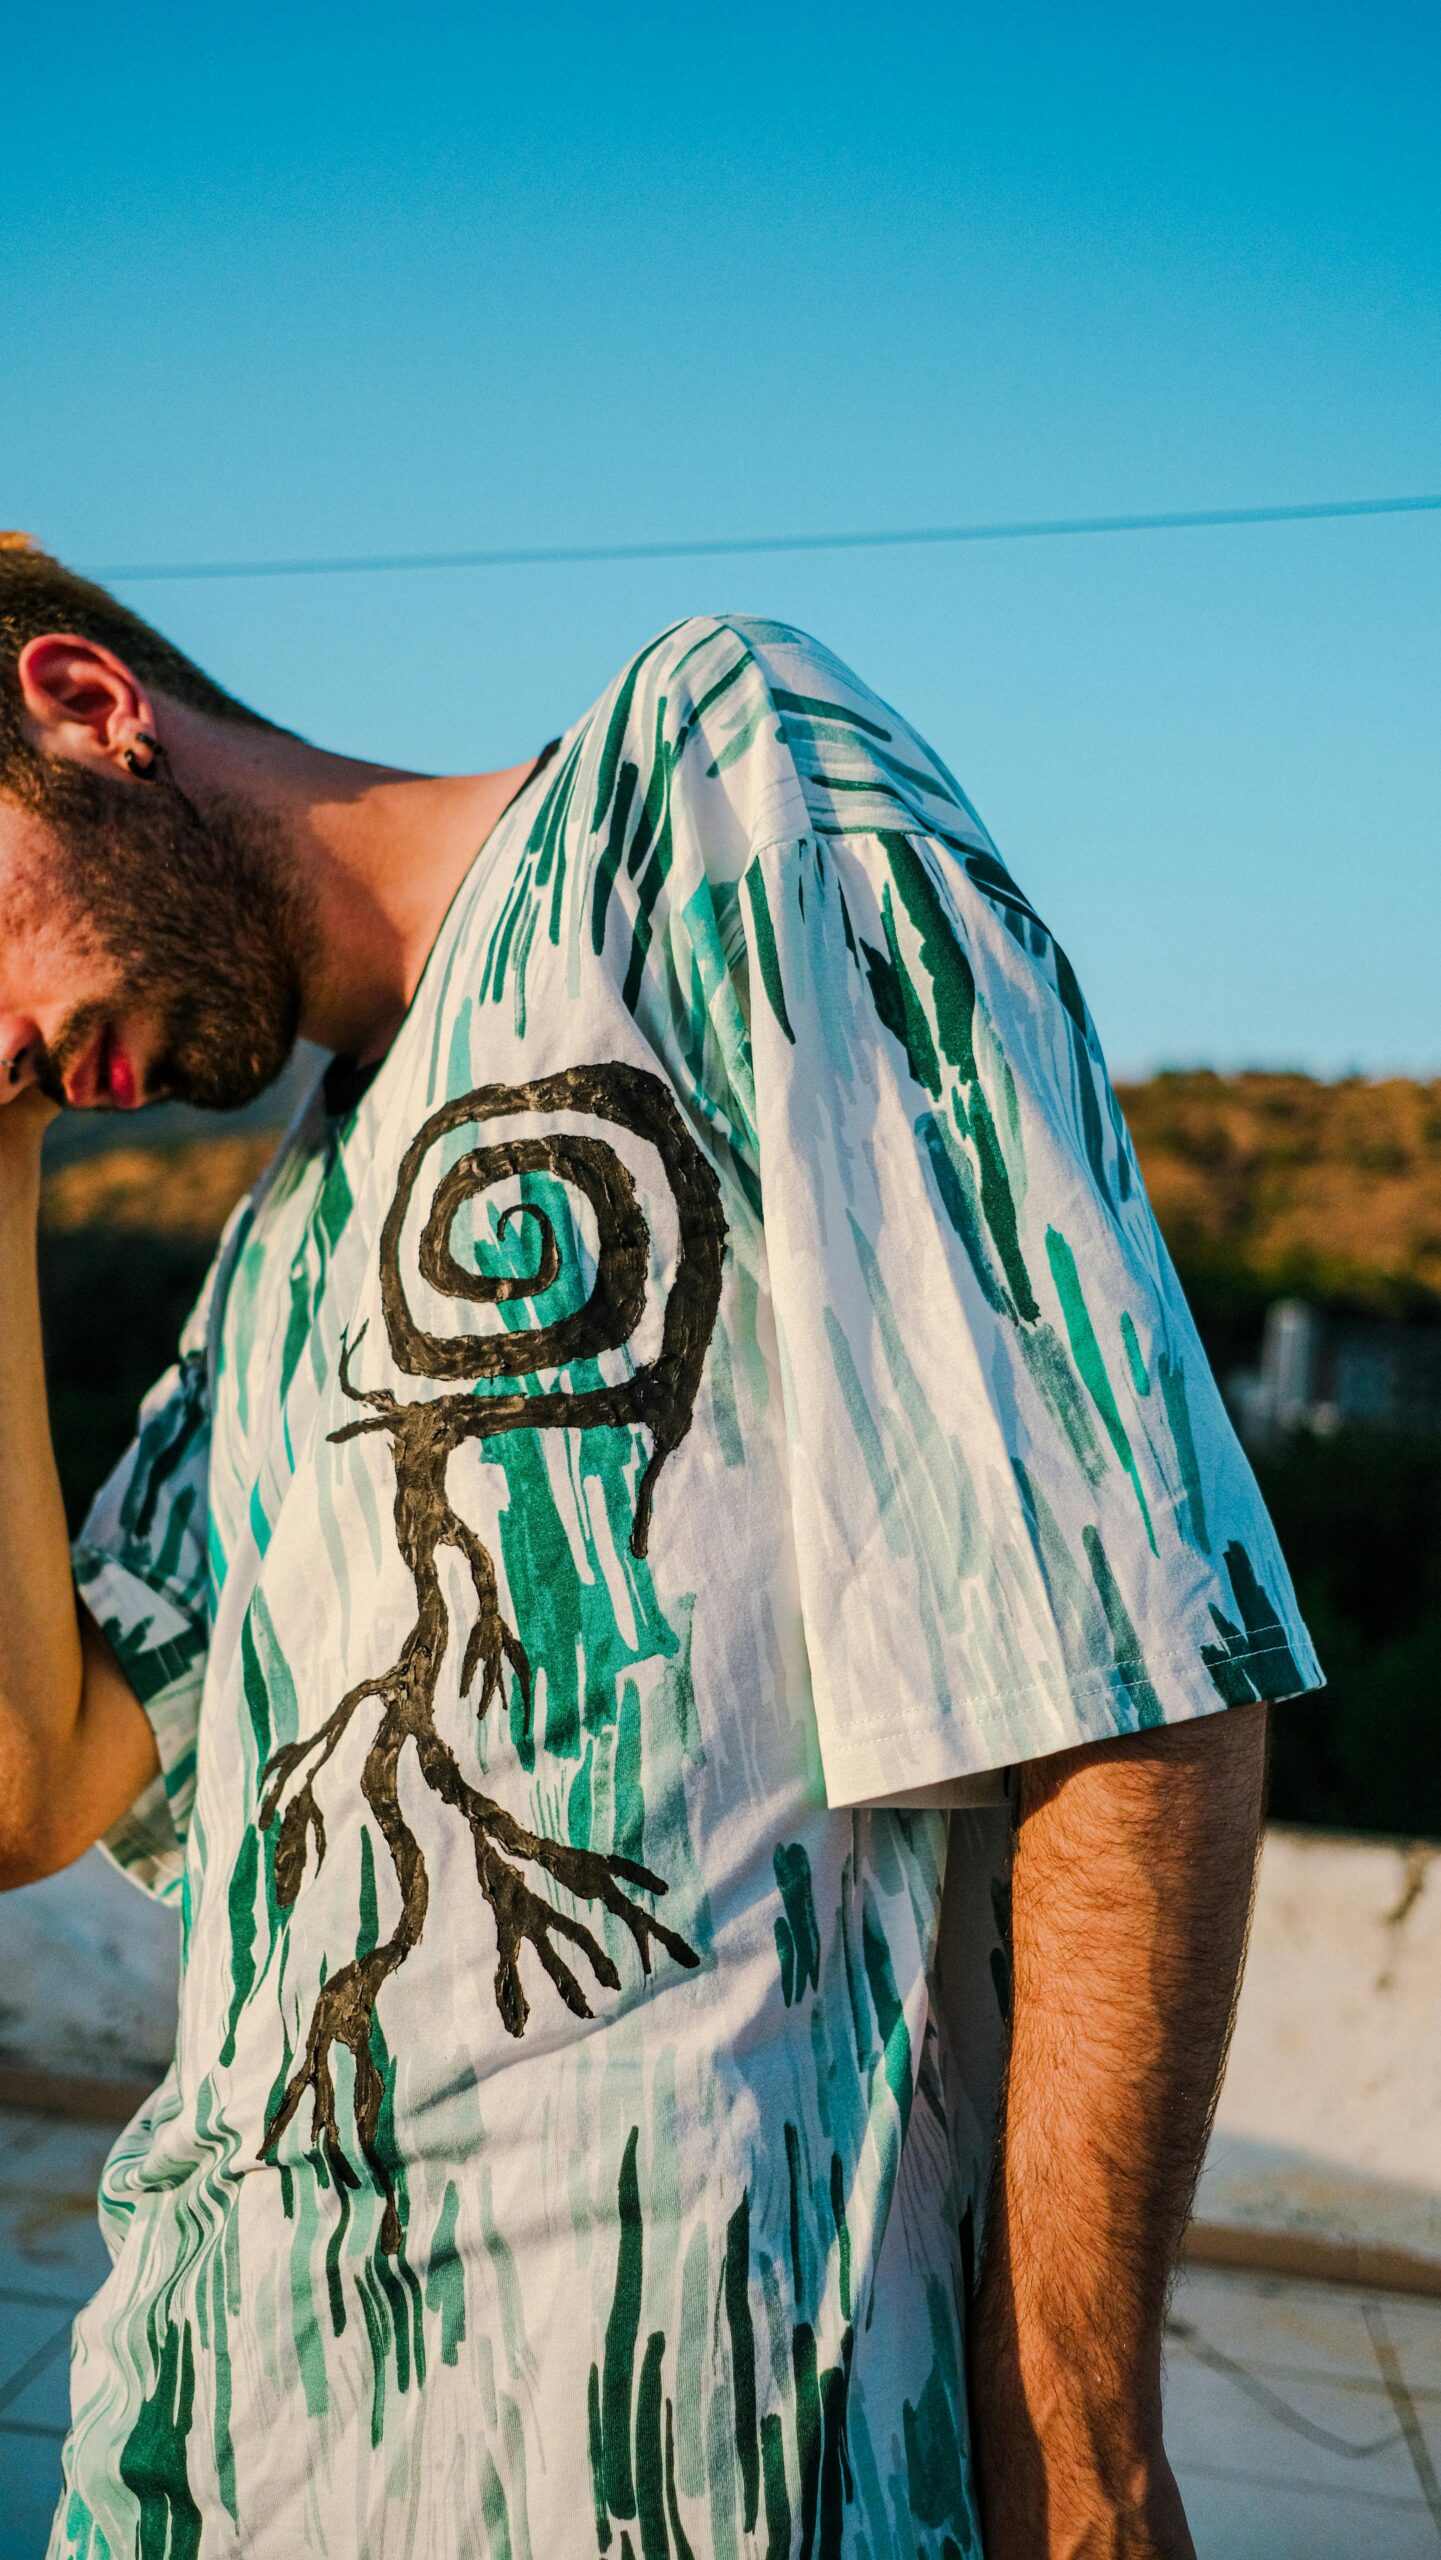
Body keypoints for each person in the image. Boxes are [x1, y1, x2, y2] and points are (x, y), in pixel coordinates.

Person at [0, 534, 1319, 2560]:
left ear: (90, 709)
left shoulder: (706, 787)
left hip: (687, 2465)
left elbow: (1121, 1637)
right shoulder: (272, 1255)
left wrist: (1081, 2460)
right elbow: (42, 1777)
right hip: (210, 2451)